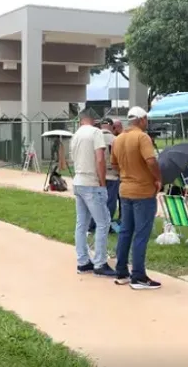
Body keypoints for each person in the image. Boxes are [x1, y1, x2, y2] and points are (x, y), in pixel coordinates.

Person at [111, 106, 162, 290]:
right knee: (141, 234)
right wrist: (157, 178)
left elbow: (114, 164)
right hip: (143, 192)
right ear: (141, 119)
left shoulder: (119, 139)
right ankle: (138, 276)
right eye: (146, 120)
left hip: (125, 190)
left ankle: (121, 272)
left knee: (125, 231)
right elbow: (151, 160)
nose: (147, 123)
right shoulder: (142, 137)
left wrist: (128, 174)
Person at [71, 111, 116, 277]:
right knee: (103, 222)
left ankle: (83, 261)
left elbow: (72, 159)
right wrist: (103, 182)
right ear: (94, 120)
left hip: (78, 181)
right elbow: (100, 159)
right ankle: (100, 262)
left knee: (81, 223)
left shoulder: (75, 135)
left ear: (81, 120)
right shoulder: (96, 133)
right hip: (92, 182)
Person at [89, 117, 119, 233]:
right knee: (110, 202)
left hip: (97, 175)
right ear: (112, 126)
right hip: (112, 174)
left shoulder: (93, 138)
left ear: (101, 126)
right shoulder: (115, 140)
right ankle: (106, 225)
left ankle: (92, 225)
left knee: (96, 201)